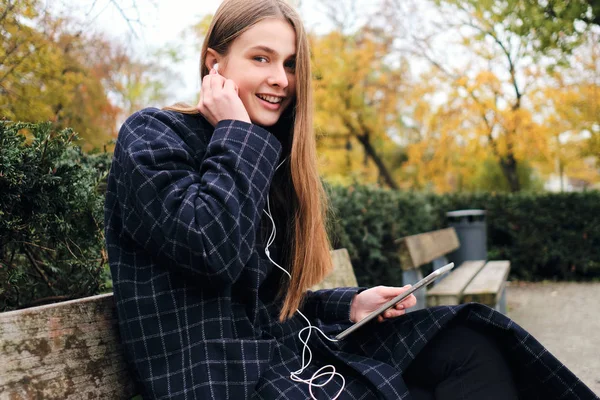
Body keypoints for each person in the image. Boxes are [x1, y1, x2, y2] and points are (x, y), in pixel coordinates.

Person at [104, 0, 597, 399]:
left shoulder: (263, 155)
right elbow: (209, 249)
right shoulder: (154, 135)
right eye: (262, 58)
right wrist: (235, 130)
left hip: (289, 359)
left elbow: (263, 300)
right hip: (230, 381)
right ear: (215, 63)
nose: (281, 79)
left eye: (292, 65)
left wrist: (350, 304)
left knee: (472, 345)